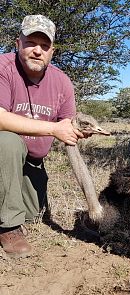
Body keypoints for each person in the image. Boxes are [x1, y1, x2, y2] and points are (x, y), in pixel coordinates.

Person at [0, 15, 84, 258]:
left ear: (52, 51)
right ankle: (9, 228)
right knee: (7, 140)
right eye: (30, 43)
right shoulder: (4, 68)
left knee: (32, 213)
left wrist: (77, 130)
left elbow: (68, 124)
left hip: (33, 162)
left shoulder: (62, 82)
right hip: (5, 154)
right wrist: (53, 129)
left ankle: (14, 213)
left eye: (44, 46)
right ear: (18, 43)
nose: (37, 51)